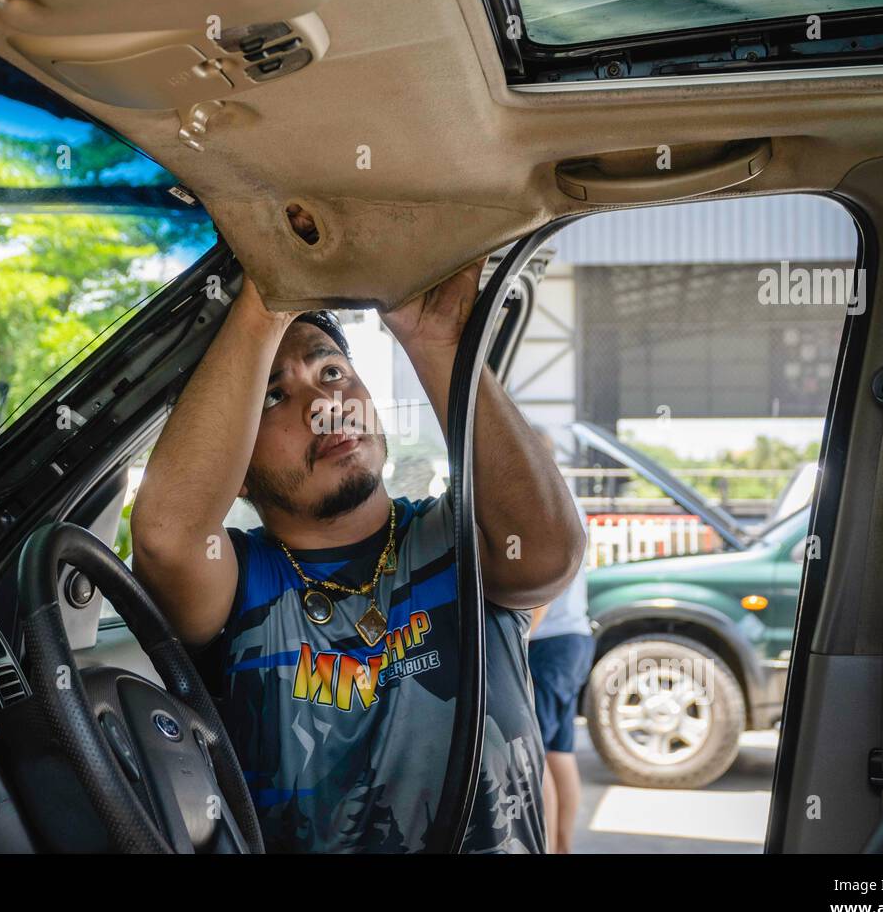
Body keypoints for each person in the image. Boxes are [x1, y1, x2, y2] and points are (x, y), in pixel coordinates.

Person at [129, 263, 585, 853]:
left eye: (334, 371)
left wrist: (438, 343)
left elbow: (549, 554)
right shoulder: (238, 581)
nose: (325, 405)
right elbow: (165, 534)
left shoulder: (458, 536)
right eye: (274, 396)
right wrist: (268, 296)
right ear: (234, 462)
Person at [528, 425, 594, 854]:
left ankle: (548, 847)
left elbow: (544, 586)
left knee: (534, 758)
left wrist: (519, 637)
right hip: (574, 640)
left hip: (548, 642)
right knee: (558, 751)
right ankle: (564, 846)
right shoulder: (568, 499)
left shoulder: (543, 504)